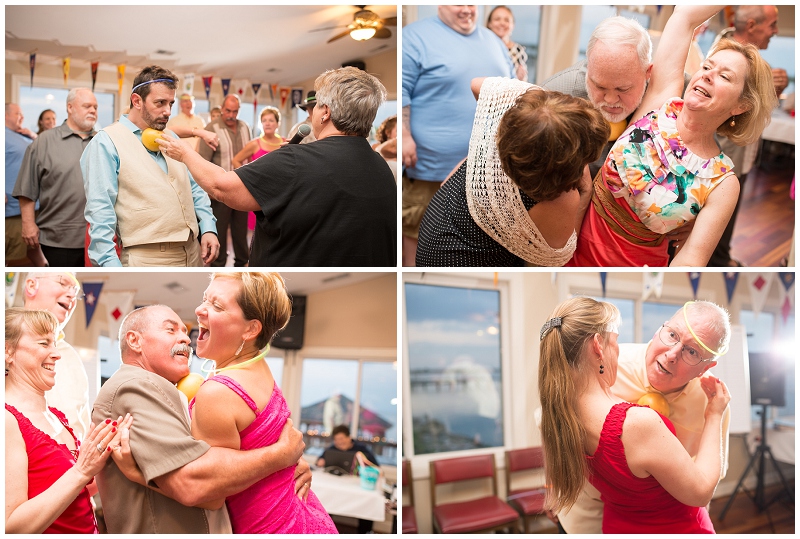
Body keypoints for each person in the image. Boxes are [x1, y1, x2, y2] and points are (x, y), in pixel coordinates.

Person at [566, 6, 777, 267]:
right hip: (571, 244)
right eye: (707, 66)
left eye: (724, 76)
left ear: (741, 106)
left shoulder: (723, 184)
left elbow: (690, 260)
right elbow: (685, 15)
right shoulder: (660, 105)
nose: (708, 74)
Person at [92, 304, 311, 534]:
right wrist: (281, 455)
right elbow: (198, 488)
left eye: (185, 332)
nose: (186, 339)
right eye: (171, 330)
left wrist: (288, 468)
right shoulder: (137, 385)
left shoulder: (168, 390)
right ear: (135, 341)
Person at [157, 66, 396, 267]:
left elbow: (222, 187)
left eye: (317, 105)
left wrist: (185, 153)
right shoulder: (381, 166)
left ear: (325, 113)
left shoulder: (295, 159)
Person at [538, 297, 730, 533]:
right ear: (661, 328)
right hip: (586, 514)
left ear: (706, 367)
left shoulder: (711, 400)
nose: (672, 354)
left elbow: (707, 479)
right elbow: (552, 419)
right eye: (672, 335)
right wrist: (553, 483)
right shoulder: (606, 367)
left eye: (692, 351)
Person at [183, 272, 337, 533]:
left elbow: (208, 495)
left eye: (216, 305)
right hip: (306, 518)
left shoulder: (218, 391)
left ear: (251, 329)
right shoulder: (259, 369)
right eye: (204, 299)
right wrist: (285, 459)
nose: (199, 309)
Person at [416, 77, 609, 266]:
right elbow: (558, 256)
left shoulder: (515, 129)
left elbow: (476, 83)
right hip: (460, 258)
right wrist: (585, 192)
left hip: (441, 221)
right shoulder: (560, 200)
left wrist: (546, 105)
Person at [402, 5, 515, 266]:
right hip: (429, 172)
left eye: (471, 3)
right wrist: (405, 135)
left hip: (487, 174)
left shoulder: (495, 42)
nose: (466, 10)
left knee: (475, 247)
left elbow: (511, 94)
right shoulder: (414, 36)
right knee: (418, 246)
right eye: (457, 4)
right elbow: (403, 91)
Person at [81, 65, 219, 267]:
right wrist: (110, 265)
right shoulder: (106, 142)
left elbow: (193, 187)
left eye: (171, 103)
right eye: (160, 103)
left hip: (192, 252)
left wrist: (208, 227)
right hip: (146, 258)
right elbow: (100, 210)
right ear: (137, 101)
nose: (168, 111)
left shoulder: (171, 137)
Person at [5, 307, 124, 533]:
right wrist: (80, 471)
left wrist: (105, 456)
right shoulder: (7, 420)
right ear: (7, 352)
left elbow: (74, 494)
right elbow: (10, 528)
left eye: (54, 343)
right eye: (43, 343)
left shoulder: (58, 417)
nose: (57, 353)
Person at [708, 5, 786, 267]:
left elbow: (751, 111)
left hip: (740, 158)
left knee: (727, 222)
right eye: (772, 25)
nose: (775, 31)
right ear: (752, 25)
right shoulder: (720, 54)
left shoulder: (754, 62)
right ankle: (717, 261)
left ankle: (722, 257)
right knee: (713, 224)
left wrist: (771, 93)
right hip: (720, 159)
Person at [14, 88, 98, 267]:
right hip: (58, 240)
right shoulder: (44, 142)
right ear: (70, 107)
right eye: (87, 106)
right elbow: (27, 188)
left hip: (99, 239)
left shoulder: (102, 142)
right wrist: (28, 224)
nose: (93, 110)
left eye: (95, 107)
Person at [22, 272, 92, 441]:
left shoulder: (72, 358)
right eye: (63, 283)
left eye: (75, 291)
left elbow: (82, 426)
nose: (71, 295)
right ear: (32, 286)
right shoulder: (7, 343)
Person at [199, 94, 251, 267]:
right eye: (228, 111)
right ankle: (218, 266)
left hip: (242, 188)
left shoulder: (244, 127)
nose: (231, 115)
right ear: (221, 109)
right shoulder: (211, 128)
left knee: (240, 232)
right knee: (220, 232)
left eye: (235, 111)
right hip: (219, 192)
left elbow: (248, 156)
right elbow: (203, 163)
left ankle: (242, 265)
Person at [5, 103, 38, 266]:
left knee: (32, 249)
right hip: (11, 210)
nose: (22, 117)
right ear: (5, 115)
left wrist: (33, 135)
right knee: (16, 259)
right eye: (18, 113)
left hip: (33, 206)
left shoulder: (23, 135)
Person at [487, 5, 528, 81]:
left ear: (513, 25)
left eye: (507, 20)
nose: (502, 23)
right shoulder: (484, 47)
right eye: (497, 19)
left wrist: (519, 80)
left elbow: (523, 82)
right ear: (489, 23)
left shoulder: (518, 51)